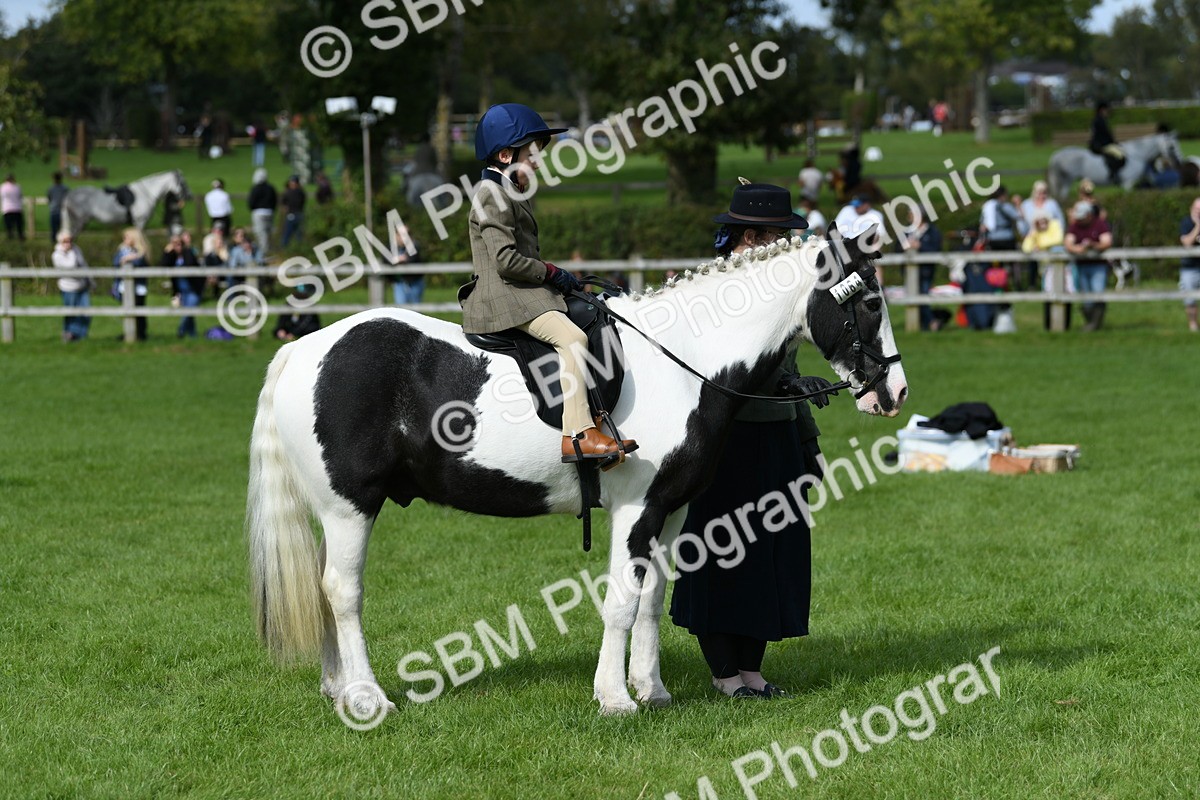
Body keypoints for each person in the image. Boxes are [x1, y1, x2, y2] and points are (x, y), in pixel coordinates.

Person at [670, 180, 835, 700]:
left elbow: (790, 368)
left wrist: (808, 444)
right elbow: (722, 369)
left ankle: (752, 671)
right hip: (724, 442)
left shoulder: (781, 290)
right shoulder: (713, 289)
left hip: (778, 435)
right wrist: (785, 384)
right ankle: (724, 673)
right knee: (723, 555)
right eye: (778, 235)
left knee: (774, 556)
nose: (787, 245)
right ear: (749, 237)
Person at [459, 102, 636, 461]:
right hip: (504, 298)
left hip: (521, 292)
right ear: (506, 155)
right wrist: (551, 273)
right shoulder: (491, 194)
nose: (537, 162)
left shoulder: (506, 190)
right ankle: (578, 435)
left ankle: (594, 413)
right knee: (573, 339)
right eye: (532, 155)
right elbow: (505, 260)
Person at [1064, 200, 1112, 331]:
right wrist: (1077, 249)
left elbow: (1107, 242)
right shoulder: (1075, 226)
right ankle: (1091, 323)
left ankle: (1095, 324)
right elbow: (1068, 242)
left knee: (1098, 292)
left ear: (1089, 215)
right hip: (1081, 266)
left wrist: (1093, 245)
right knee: (1086, 298)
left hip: (1098, 266)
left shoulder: (1100, 224)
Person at [1022, 213, 1071, 330]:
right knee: (1048, 294)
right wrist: (1032, 233)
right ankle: (1049, 326)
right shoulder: (1035, 232)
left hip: (1062, 267)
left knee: (1066, 293)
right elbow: (1026, 248)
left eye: (1044, 221)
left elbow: (1058, 240)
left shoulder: (1055, 226)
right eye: (1039, 222)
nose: (1042, 224)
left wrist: (1040, 246)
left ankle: (1065, 325)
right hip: (1046, 268)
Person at [901, 208, 943, 331]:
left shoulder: (933, 232)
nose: (909, 217)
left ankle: (931, 322)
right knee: (914, 297)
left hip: (926, 271)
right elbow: (897, 248)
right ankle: (927, 323)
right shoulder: (906, 231)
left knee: (923, 295)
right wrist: (905, 246)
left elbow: (936, 250)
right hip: (908, 271)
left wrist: (920, 246)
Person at [53, 231, 92, 342]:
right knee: (71, 312)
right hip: (68, 288)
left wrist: (90, 280)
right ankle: (68, 334)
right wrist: (70, 252)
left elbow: (83, 265)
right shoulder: (57, 255)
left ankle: (81, 335)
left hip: (82, 286)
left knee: (86, 311)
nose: (68, 243)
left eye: (70, 240)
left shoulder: (77, 249)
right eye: (65, 241)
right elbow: (71, 266)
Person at [112, 228, 150, 340]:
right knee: (128, 311)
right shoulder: (122, 250)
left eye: (127, 237)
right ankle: (129, 333)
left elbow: (141, 263)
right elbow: (116, 262)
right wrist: (126, 258)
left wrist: (131, 258)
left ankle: (141, 333)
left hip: (139, 288)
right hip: (124, 287)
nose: (125, 239)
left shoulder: (141, 252)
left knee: (139, 311)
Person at [163, 233, 202, 338]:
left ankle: (180, 331)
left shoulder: (188, 252)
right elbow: (163, 264)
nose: (177, 246)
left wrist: (184, 251)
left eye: (179, 243)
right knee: (189, 313)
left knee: (188, 311)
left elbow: (189, 264)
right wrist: (167, 252)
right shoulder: (172, 256)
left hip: (193, 289)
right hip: (181, 290)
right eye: (174, 244)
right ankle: (193, 335)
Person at [1177, 196, 1200, 332]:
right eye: (1197, 208)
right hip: (1189, 267)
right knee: (1189, 298)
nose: (1198, 211)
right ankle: (1193, 325)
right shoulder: (1186, 223)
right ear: (1191, 209)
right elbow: (1187, 243)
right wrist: (1198, 226)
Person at [1089, 101, 1125, 186]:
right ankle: (1114, 174)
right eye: (1107, 110)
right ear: (1102, 110)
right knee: (1120, 155)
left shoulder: (1098, 119)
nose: (1108, 112)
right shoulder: (1100, 121)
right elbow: (1106, 135)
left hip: (1100, 143)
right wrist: (1114, 143)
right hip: (1101, 145)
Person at [389, 222, 425, 305]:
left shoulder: (415, 246)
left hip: (415, 282)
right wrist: (398, 259)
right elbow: (386, 260)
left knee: (415, 310)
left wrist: (399, 260)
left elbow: (412, 258)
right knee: (400, 310)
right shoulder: (392, 247)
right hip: (400, 283)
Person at [979, 185, 1021, 252]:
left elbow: (982, 225)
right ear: (1003, 195)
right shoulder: (1005, 205)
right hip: (1007, 238)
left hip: (992, 238)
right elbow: (1017, 216)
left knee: (995, 258)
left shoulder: (987, 206)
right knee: (1011, 257)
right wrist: (1017, 204)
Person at [247, 168, 278, 258]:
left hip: (258, 212)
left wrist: (253, 209)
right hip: (269, 212)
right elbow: (275, 201)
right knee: (268, 231)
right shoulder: (270, 188)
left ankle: (263, 252)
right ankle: (269, 249)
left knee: (261, 232)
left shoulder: (255, 188)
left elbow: (251, 202)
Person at [281, 175, 306, 246]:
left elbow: (284, 205)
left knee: (288, 236)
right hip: (297, 215)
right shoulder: (300, 192)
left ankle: (287, 248)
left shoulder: (289, 192)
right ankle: (296, 248)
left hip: (293, 215)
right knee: (296, 236)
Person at [47, 172, 70, 243]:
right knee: (63, 228)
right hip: (63, 211)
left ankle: (54, 241)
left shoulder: (51, 188)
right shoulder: (65, 188)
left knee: (54, 228)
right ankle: (63, 241)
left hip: (54, 210)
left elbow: (49, 198)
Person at [2, 174, 24, 241]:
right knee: (19, 226)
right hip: (17, 208)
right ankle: (20, 238)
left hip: (7, 209)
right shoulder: (17, 187)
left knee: (9, 226)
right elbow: (20, 196)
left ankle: (10, 238)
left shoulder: (3, 187)